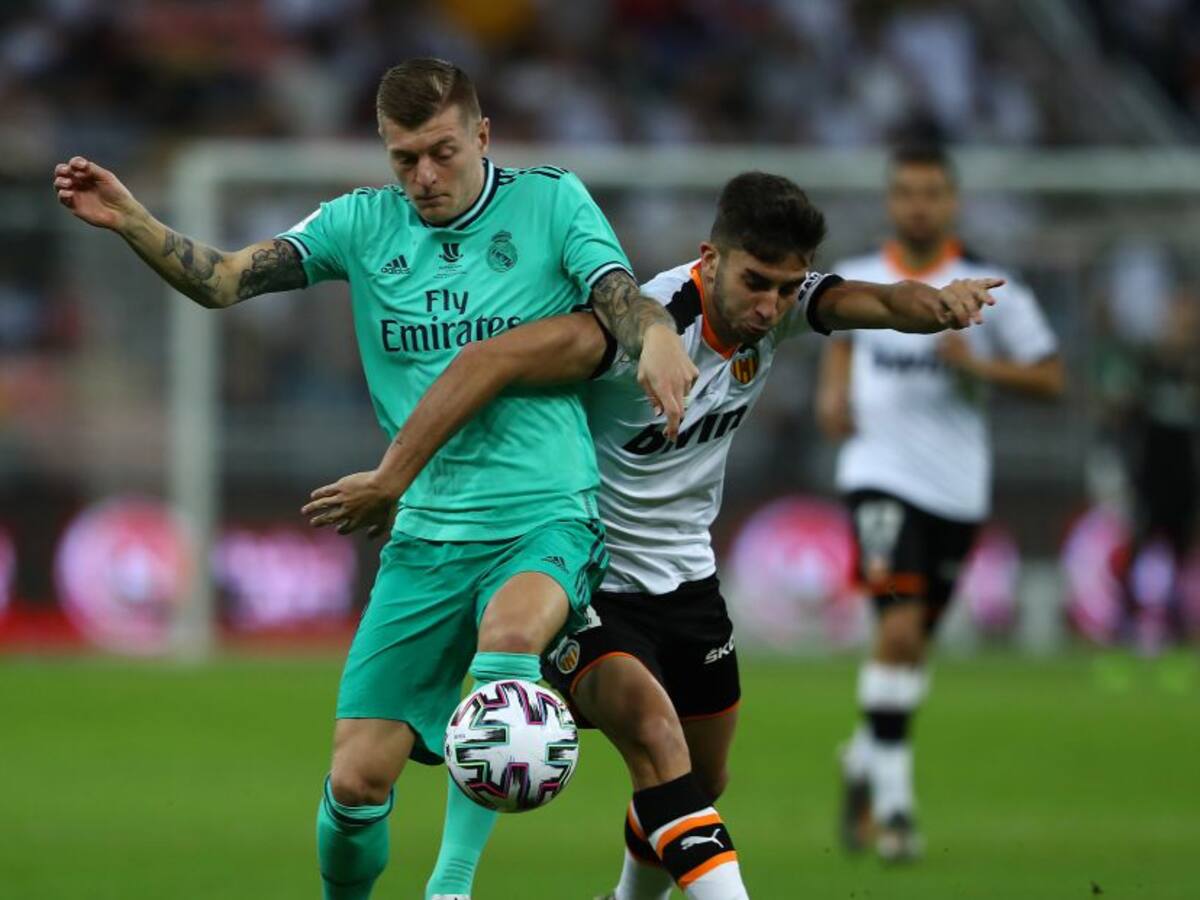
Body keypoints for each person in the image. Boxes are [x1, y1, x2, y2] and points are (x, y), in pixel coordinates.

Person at [53, 57, 698, 900]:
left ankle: (451, 886)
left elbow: (618, 297)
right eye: (404, 158)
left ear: (481, 135)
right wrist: (133, 218)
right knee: (357, 784)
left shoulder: (551, 200)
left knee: (509, 641)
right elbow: (221, 281)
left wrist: (655, 333)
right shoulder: (359, 225)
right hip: (427, 532)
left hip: (546, 511)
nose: (424, 176)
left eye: (441, 152)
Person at [304, 171, 1000, 898]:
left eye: (786, 288)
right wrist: (399, 476)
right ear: (712, 257)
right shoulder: (638, 327)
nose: (769, 307)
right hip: (589, 579)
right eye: (756, 282)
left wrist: (938, 307)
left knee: (700, 780)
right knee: (657, 743)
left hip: (688, 581)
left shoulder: (779, 308)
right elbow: (490, 358)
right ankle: (454, 880)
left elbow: (878, 300)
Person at [814, 145, 1064, 861]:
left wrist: (979, 367)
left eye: (930, 193)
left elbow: (1052, 379)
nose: (917, 205)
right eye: (905, 192)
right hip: (877, 476)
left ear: (951, 201)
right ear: (891, 200)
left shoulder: (991, 287)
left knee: (912, 644)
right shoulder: (859, 275)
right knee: (895, 632)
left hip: (957, 488)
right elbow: (839, 341)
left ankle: (863, 757)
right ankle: (895, 811)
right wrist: (831, 394)